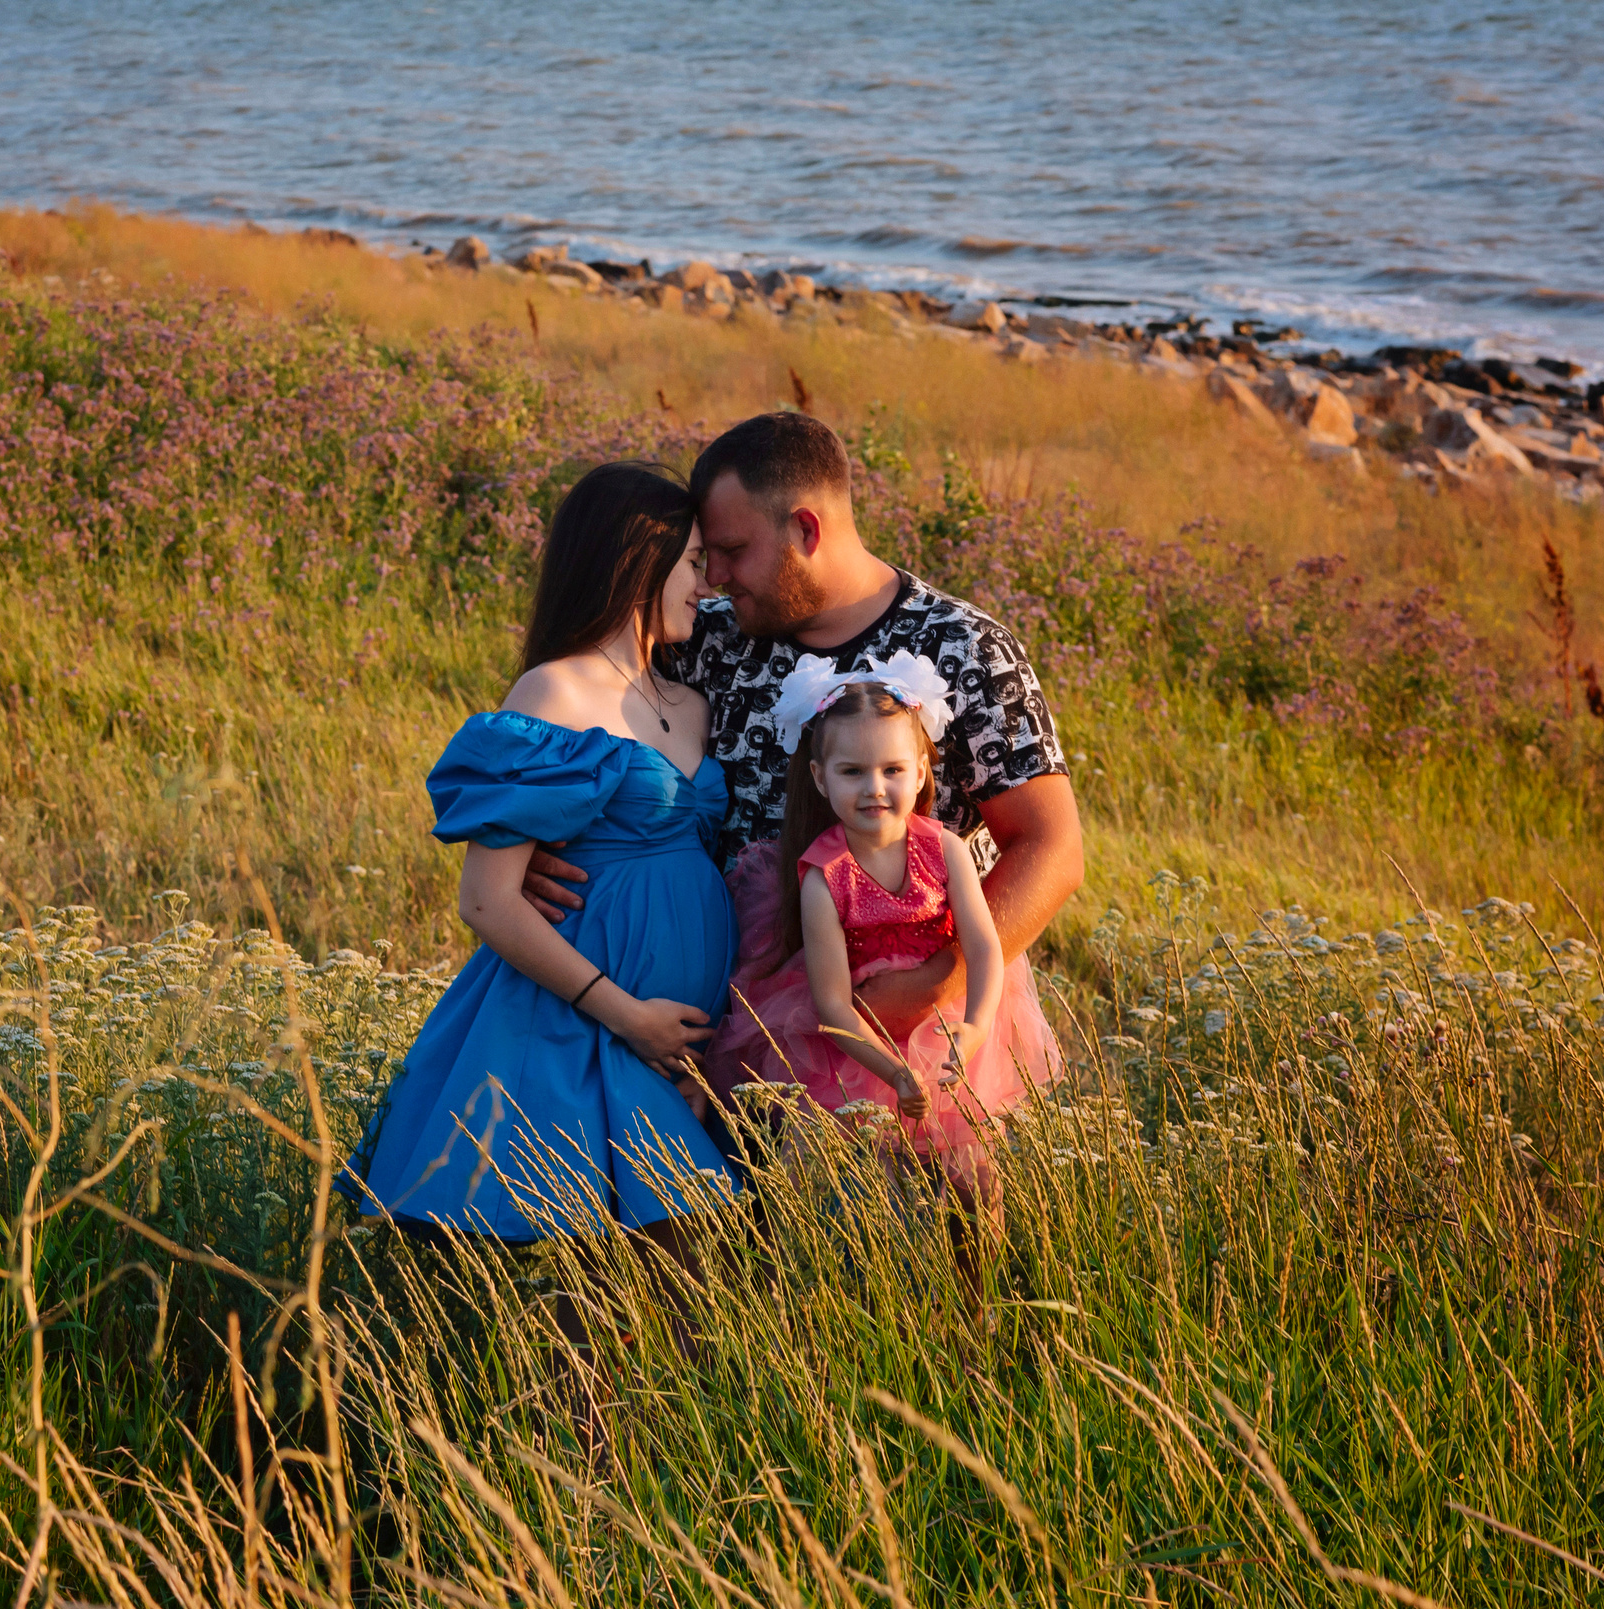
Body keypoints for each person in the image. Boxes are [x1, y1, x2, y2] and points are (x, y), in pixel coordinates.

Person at [525, 410, 1080, 1085]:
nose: (715, 577)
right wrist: (538, 850)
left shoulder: (964, 649)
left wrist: (940, 980)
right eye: (706, 557)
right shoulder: (707, 640)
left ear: (806, 529)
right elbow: (580, 723)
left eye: (731, 549)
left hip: (910, 1024)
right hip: (726, 1018)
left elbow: (1052, 846)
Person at [340, 462, 736, 1247]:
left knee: (676, 1280)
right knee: (608, 1281)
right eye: (693, 561)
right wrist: (632, 1019)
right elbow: (487, 899)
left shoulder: (692, 700)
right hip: (583, 1022)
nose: (706, 583)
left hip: (680, 1037)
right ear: (639, 560)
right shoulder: (552, 695)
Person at [706, 662, 1057, 1226]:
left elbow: (987, 947)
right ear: (821, 779)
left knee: (974, 1185)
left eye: (892, 769)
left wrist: (976, 1026)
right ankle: (855, 1293)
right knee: (861, 1192)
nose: (874, 788)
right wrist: (894, 1071)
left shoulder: (946, 849)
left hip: (947, 1024)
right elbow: (832, 1005)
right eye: (853, 771)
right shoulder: (823, 876)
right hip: (854, 1045)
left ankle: (978, 1304)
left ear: (920, 772)